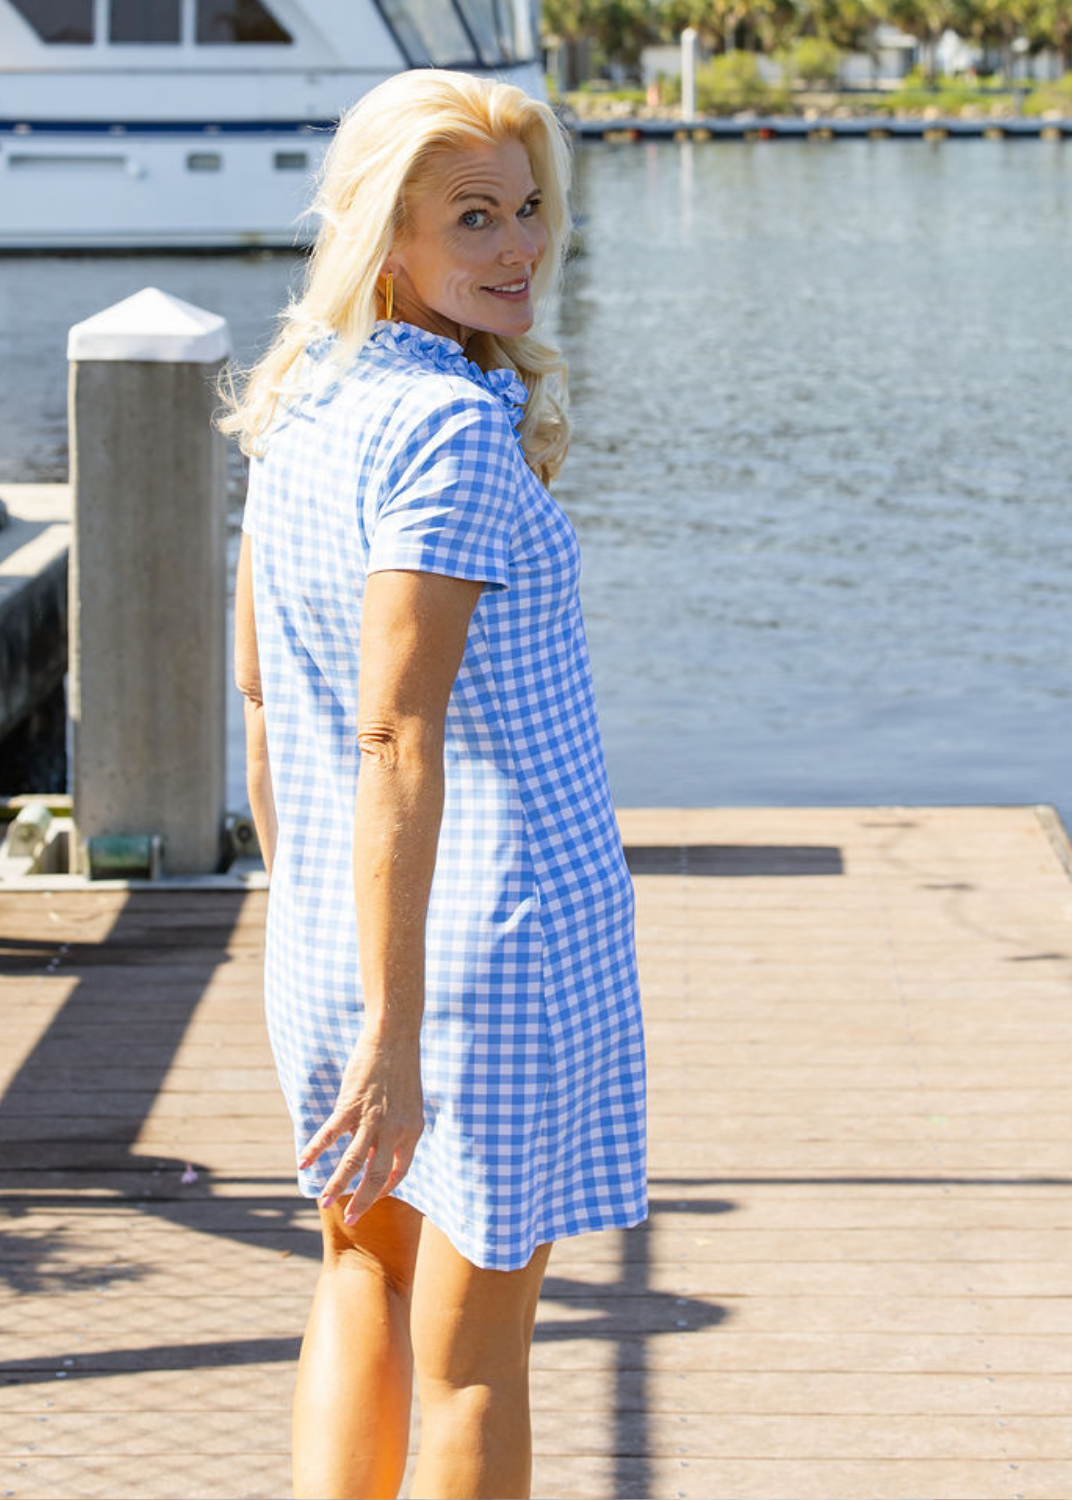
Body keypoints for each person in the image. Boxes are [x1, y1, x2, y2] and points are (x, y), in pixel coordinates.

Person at [222, 69, 647, 1500]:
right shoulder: (450, 432)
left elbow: (264, 691)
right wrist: (396, 1034)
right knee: (472, 1363)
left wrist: (308, 921)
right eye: (474, 216)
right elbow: (398, 735)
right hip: (487, 954)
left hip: (339, 932)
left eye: (528, 208)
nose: (520, 245)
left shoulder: (302, 398)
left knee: (362, 1276)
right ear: (383, 232)